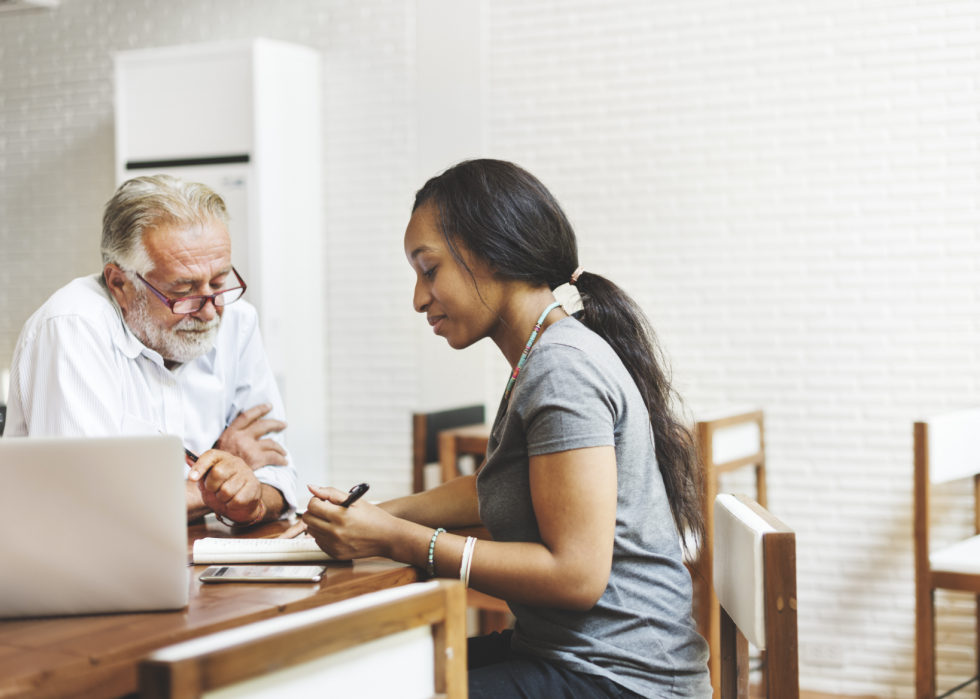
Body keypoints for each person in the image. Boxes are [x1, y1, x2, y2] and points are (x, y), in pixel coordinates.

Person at [284, 159, 710, 697]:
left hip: (621, 680)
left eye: (429, 270)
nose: (418, 298)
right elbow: (498, 491)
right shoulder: (544, 354)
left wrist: (395, 538)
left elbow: (575, 576)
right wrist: (372, 516)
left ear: (488, 252)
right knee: (378, 670)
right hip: (570, 656)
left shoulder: (562, 367)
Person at [5, 175, 298, 525]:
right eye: (184, 291)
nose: (209, 311)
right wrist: (219, 478)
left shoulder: (237, 320)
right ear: (120, 284)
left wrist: (252, 498)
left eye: (219, 283)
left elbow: (280, 477)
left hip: (192, 558)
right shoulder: (73, 326)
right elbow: (85, 507)